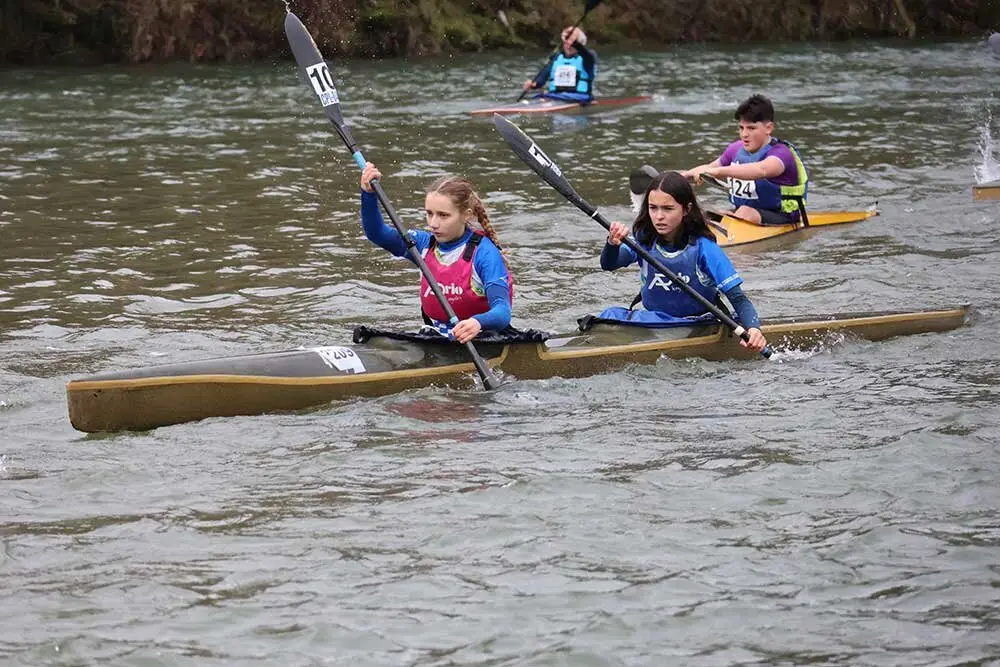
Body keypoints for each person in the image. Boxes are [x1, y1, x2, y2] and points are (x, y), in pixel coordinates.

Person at [599, 170, 768, 353]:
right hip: (654, 321)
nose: (659, 216)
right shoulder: (645, 239)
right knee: (606, 316)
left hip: (697, 323)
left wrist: (754, 329)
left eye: (668, 209)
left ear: (686, 209)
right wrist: (612, 244)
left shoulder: (704, 247)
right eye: (653, 208)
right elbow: (609, 264)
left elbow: (737, 297)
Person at [359, 163, 513, 344]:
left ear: (466, 215)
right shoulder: (423, 244)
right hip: (437, 336)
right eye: (429, 214)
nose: (433, 223)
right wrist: (368, 194)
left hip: (483, 338)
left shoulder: (485, 254)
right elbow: (378, 234)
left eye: (443, 215)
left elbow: (503, 311)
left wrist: (477, 322)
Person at [681, 94, 808, 226]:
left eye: (751, 128)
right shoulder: (735, 149)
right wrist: (682, 177)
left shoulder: (781, 154)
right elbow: (708, 168)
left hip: (783, 216)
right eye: (741, 128)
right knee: (705, 216)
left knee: (744, 212)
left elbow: (761, 170)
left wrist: (717, 172)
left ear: (768, 128)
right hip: (744, 213)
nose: (744, 134)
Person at [521, 26, 598, 103]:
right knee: (537, 97)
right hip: (554, 96)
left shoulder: (588, 58)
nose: (569, 46)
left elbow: (586, 54)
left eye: (572, 44)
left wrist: (574, 42)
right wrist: (534, 84)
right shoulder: (556, 57)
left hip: (579, 98)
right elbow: (542, 77)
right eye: (567, 42)